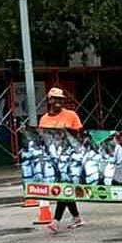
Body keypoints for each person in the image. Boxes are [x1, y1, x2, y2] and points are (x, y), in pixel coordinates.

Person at [37, 87, 85, 233]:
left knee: (63, 189)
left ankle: (56, 221)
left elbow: (80, 135)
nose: (58, 101)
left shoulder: (71, 115)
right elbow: (43, 139)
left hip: (69, 159)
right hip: (54, 160)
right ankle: (77, 218)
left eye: (61, 99)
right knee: (65, 189)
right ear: (50, 100)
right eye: (55, 99)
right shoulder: (44, 119)